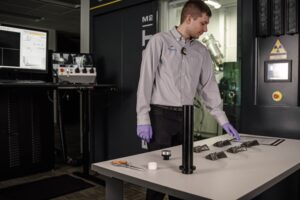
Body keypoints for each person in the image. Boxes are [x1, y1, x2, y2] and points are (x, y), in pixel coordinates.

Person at [136, 0, 240, 199]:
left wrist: (223, 119)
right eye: (203, 23)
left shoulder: (200, 51)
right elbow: (146, 81)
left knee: (184, 173)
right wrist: (143, 117)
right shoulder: (160, 41)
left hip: (186, 117)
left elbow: (208, 87)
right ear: (189, 18)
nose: (205, 28)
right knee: (157, 177)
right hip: (161, 117)